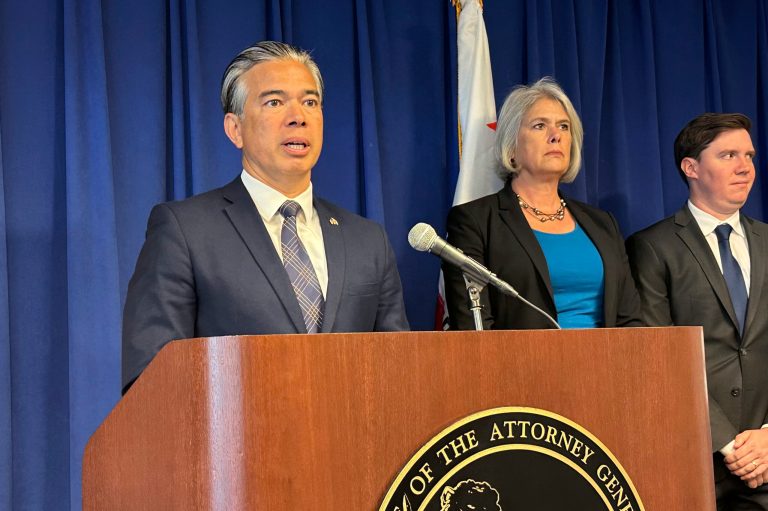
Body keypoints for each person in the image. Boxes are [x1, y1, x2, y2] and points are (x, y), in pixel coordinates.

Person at [122, 41, 409, 393]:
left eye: (310, 102)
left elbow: (399, 373)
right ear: (235, 129)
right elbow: (151, 380)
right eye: (275, 102)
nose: (298, 117)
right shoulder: (185, 230)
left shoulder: (367, 240)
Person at [626, 113, 768, 508]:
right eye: (728, 155)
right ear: (691, 168)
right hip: (693, 457)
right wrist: (731, 446)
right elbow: (657, 356)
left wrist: (766, 438)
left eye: (749, 156)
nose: (745, 167)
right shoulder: (652, 247)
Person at [443, 77, 641, 330]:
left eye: (564, 126)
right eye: (539, 126)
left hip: (609, 355)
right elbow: (473, 328)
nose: (556, 136)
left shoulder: (603, 224)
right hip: (523, 356)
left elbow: (630, 321)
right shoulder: (475, 221)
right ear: (511, 148)